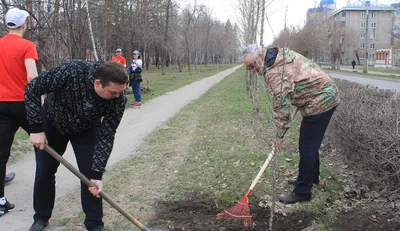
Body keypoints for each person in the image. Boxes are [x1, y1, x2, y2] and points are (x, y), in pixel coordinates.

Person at [25, 61, 128, 231]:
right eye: (113, 92)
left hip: (86, 128)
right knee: (44, 171)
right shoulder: (71, 71)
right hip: (53, 122)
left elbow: (107, 135)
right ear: (97, 83)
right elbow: (32, 88)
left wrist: (97, 173)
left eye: (120, 92)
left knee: (90, 178)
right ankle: (41, 217)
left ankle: (94, 224)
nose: (117, 96)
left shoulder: (118, 100)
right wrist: (36, 128)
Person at [241, 44, 340, 204]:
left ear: (260, 55)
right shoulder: (277, 55)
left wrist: (279, 135)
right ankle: (311, 178)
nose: (252, 70)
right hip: (320, 93)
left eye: (253, 65)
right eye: (248, 68)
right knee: (309, 144)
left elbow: (281, 107)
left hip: (321, 99)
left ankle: (303, 191)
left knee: (307, 146)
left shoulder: (274, 73)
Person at [0, 7, 39, 216]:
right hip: (22, 103)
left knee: (1, 153)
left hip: (1, 104)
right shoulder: (27, 46)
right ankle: (44, 183)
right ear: (24, 24)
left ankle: (0, 201)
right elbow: (32, 77)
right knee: (41, 142)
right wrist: (39, 100)